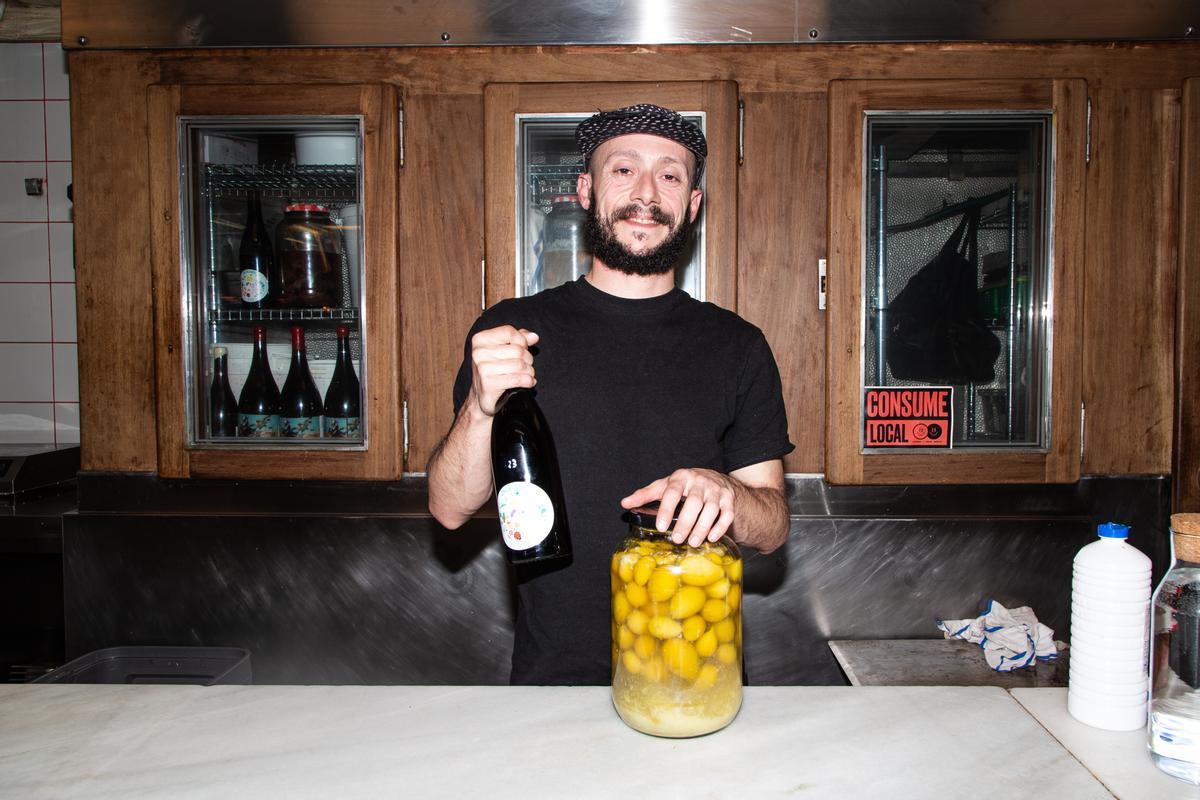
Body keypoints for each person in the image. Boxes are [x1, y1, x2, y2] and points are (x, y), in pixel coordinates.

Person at [427, 104, 794, 685]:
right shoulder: (512, 332)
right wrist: (480, 405)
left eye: (670, 175)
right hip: (554, 684)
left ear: (692, 205)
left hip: (692, 677)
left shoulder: (738, 346)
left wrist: (724, 490)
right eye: (623, 170)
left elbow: (772, 527)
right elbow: (450, 508)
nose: (646, 192)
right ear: (585, 190)